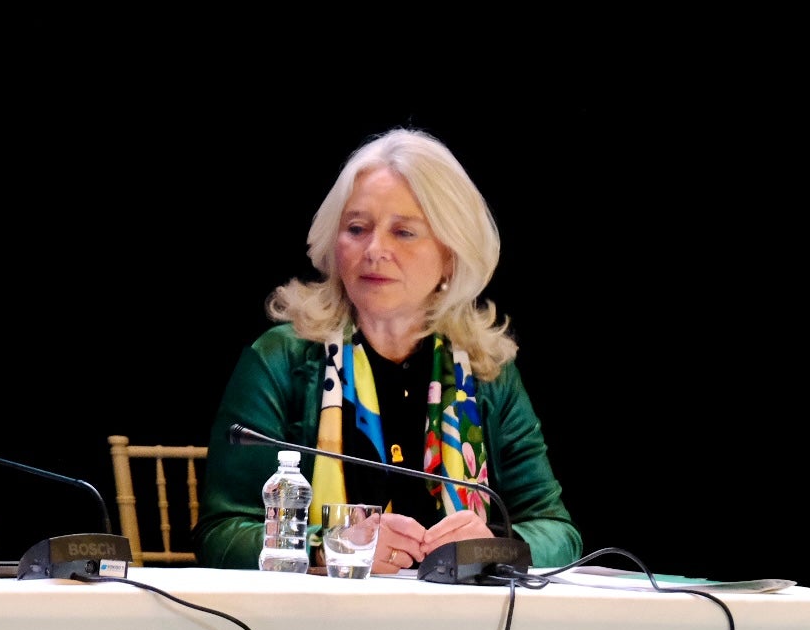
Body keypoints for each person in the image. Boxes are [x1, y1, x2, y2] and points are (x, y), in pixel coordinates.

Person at [194, 127, 580, 573]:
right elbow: (221, 533)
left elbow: (556, 531)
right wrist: (329, 549)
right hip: (315, 629)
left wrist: (493, 543)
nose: (376, 250)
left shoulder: (485, 368)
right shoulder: (280, 361)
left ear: (450, 256)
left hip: (465, 627)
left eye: (404, 232)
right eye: (357, 229)